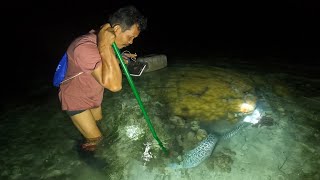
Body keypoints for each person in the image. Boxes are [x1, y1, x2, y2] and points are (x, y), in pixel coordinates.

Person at [58, 5, 147, 152]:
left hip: (94, 96)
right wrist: (105, 44)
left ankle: (83, 137)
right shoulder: (85, 47)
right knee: (97, 141)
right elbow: (114, 86)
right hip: (76, 99)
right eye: (130, 37)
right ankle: (84, 161)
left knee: (99, 125)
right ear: (116, 30)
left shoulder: (109, 45)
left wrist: (121, 58)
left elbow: (103, 63)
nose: (131, 42)